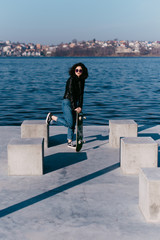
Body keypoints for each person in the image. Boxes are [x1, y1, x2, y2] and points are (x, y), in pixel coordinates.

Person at [46, 62, 88, 148]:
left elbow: (81, 95)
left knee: (73, 122)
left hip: (74, 103)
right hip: (67, 102)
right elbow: (71, 94)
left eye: (80, 70)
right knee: (70, 123)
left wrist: (80, 107)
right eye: (77, 70)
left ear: (83, 71)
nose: (78, 71)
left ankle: (69, 141)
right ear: (74, 71)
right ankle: (52, 117)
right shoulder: (71, 80)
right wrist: (74, 107)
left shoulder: (82, 81)